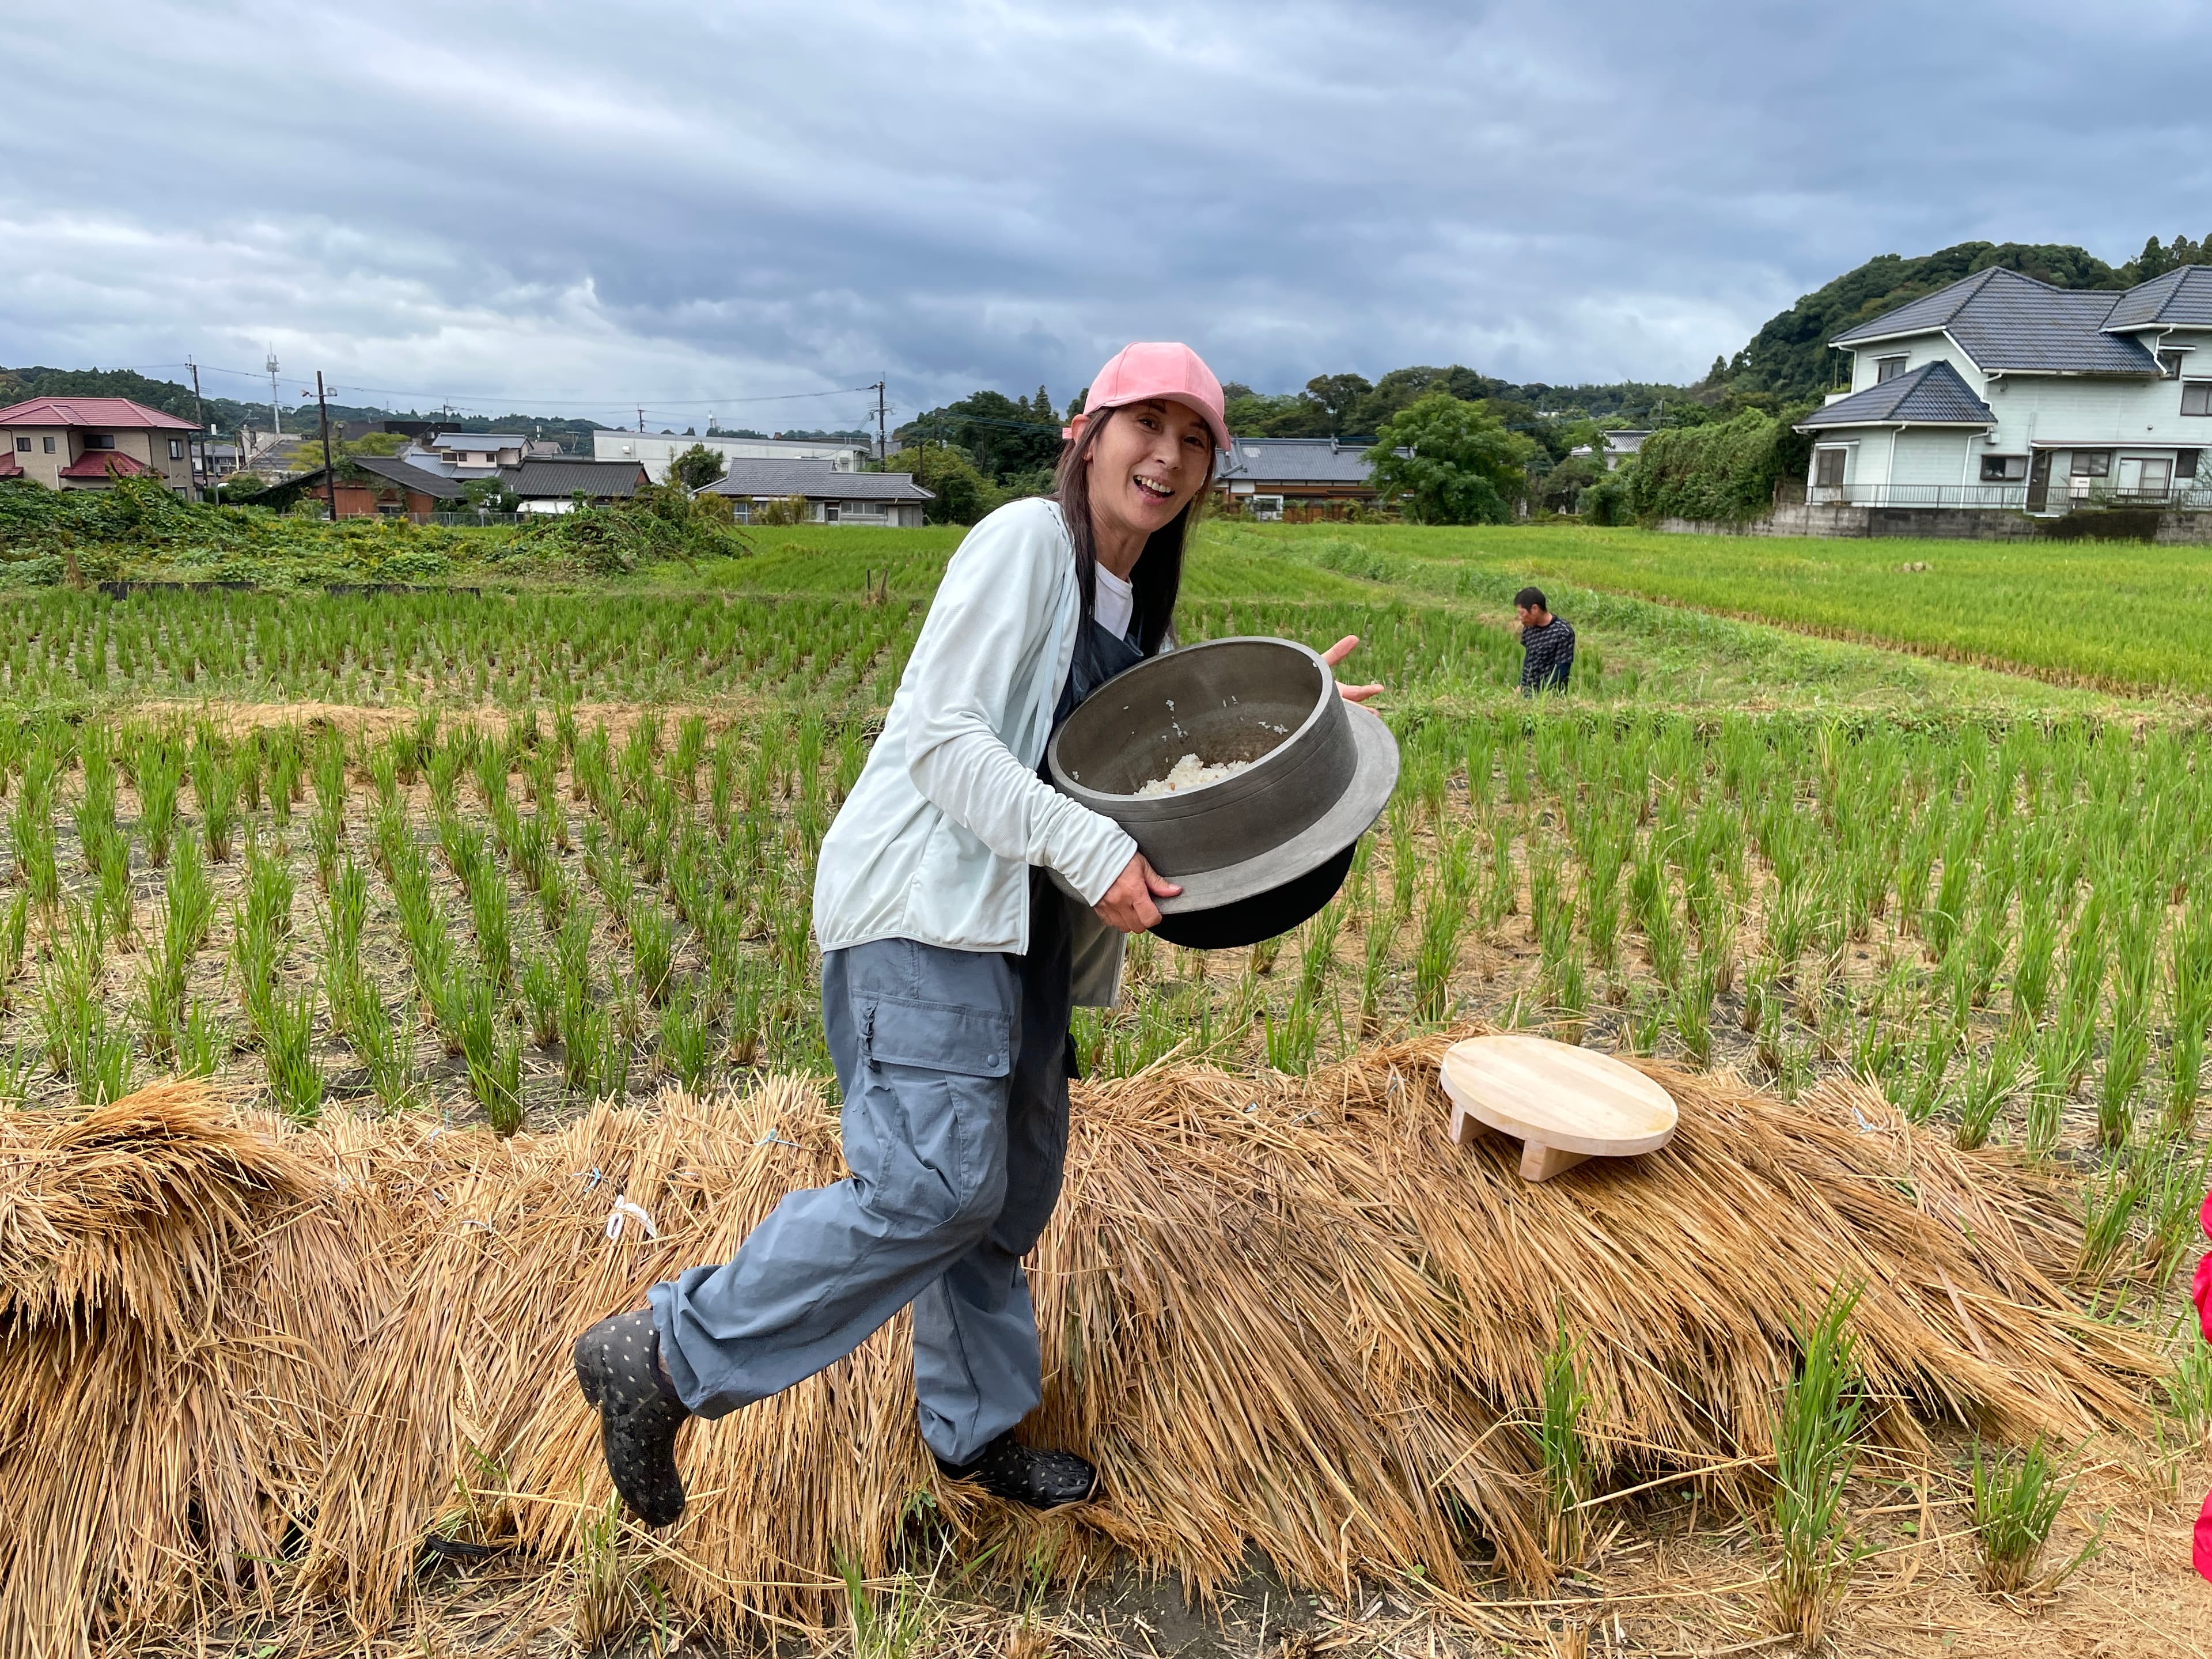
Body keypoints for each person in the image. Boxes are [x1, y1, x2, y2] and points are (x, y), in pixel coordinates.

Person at [571, 342, 1383, 1528]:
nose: (1166, 456)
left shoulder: (1131, 616)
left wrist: (1303, 729)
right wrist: (1096, 856)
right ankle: (664, 1356)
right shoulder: (1024, 542)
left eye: (1194, 438)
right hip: (929, 915)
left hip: (1022, 941)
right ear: (1085, 433)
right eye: (1144, 425)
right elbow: (948, 743)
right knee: (936, 1188)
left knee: (1003, 1206)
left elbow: (1142, 784)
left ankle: (975, 1430)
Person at [1514, 586, 1574, 695]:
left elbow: (1562, 669)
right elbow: (1529, 658)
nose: (1520, 617)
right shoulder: (1529, 627)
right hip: (1528, 693)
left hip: (1551, 696)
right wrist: (1521, 684)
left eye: (1522, 613)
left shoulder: (1563, 632)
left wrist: (1544, 695)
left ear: (1535, 609)